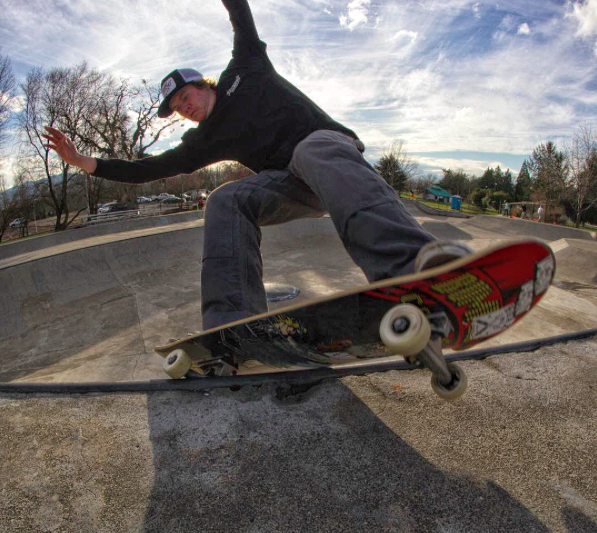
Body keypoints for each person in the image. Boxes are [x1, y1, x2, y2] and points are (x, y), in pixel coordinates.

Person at [44, 0, 471, 331]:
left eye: (185, 97)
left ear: (201, 83)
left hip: (331, 154)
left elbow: (240, 14)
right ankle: (234, 323)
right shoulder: (203, 141)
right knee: (224, 200)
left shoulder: (245, 67)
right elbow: (149, 168)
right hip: (294, 186)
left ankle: (415, 268)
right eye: (177, 108)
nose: (185, 109)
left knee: (309, 151)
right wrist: (84, 161)